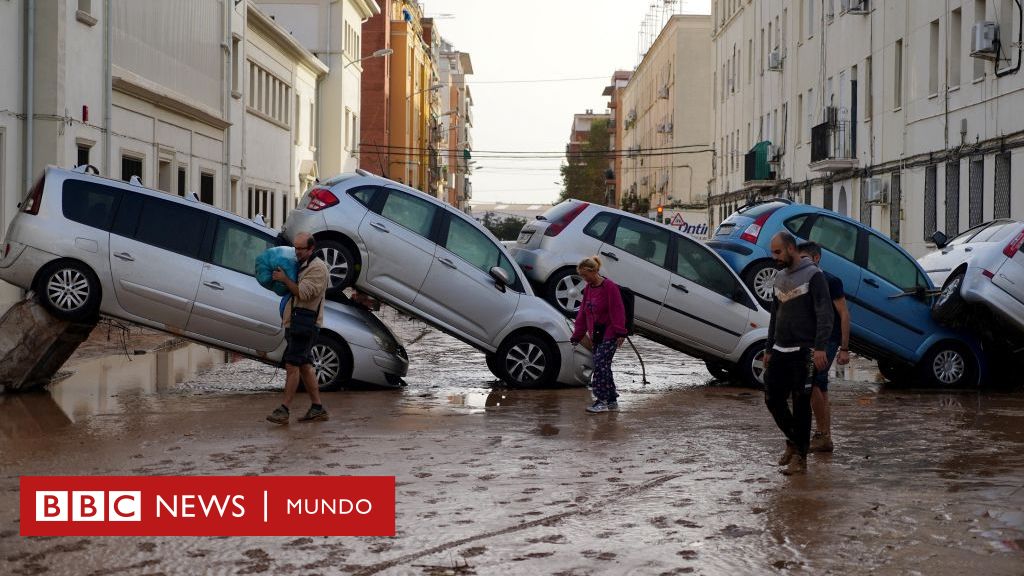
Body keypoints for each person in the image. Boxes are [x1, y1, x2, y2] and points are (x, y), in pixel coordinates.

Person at [764, 231, 834, 475]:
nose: (775, 257)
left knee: (801, 404)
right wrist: (768, 348)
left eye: (778, 252)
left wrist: (820, 348)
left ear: (791, 249)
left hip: (805, 351)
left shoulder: (814, 276)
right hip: (780, 350)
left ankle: (800, 458)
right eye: (773, 252)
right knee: (772, 398)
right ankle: (794, 441)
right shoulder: (779, 277)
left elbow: (826, 314)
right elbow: (774, 315)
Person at [266, 232, 330, 424]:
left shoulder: (318, 269)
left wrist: (285, 279)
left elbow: (303, 293)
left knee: (292, 364)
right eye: (295, 248)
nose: (297, 252)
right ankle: (317, 408)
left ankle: (284, 410)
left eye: (301, 249)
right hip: (296, 322)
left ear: (311, 249)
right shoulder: (301, 264)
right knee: (304, 365)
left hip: (306, 324)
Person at [798, 241, 851, 453]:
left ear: (816, 258)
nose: (800, 263)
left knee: (812, 384)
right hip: (811, 339)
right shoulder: (801, 280)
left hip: (828, 339)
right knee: (821, 386)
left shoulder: (831, 281)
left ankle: (821, 435)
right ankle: (825, 437)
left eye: (804, 258)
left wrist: (844, 348)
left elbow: (844, 314)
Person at [569, 256, 627, 414]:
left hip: (610, 333)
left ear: (594, 271)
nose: (584, 279)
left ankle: (601, 400)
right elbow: (582, 313)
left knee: (600, 365)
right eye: (582, 276)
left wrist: (620, 332)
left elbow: (617, 310)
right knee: (604, 367)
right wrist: (577, 335)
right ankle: (612, 400)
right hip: (596, 335)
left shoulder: (609, 287)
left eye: (585, 275)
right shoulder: (588, 288)